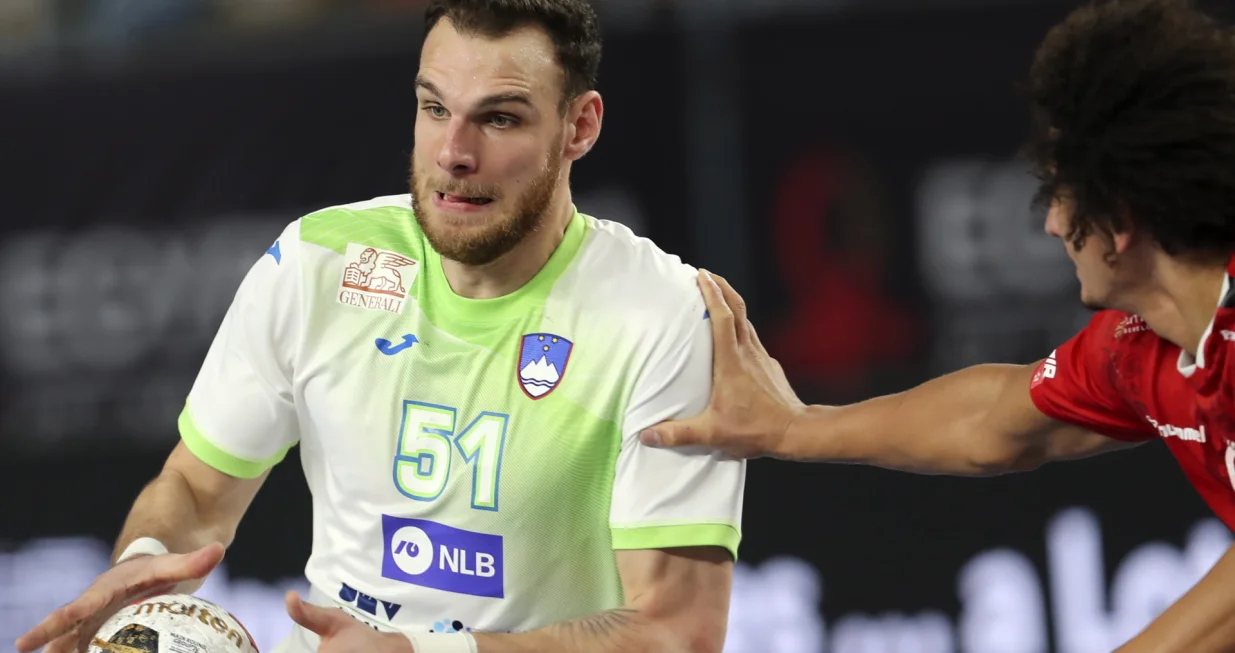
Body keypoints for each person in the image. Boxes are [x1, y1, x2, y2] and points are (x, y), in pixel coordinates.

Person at [15, 1, 745, 652]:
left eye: (499, 118)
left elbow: (674, 632)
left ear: (579, 126)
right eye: (434, 108)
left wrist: (418, 651)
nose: (454, 153)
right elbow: (197, 491)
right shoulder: (319, 261)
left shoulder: (663, 315)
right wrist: (145, 557)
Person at [640, 0, 1235, 651]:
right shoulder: (1138, 348)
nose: (1050, 225)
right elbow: (993, 420)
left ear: (1118, 221)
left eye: (1061, 196)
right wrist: (793, 426)